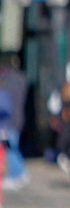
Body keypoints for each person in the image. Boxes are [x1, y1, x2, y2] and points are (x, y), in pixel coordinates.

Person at [0, 53, 29, 190]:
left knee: (10, 148)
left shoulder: (6, 82)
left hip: (7, 121)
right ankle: (19, 173)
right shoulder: (22, 80)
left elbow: (4, 105)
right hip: (18, 118)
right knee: (12, 147)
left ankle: (16, 174)